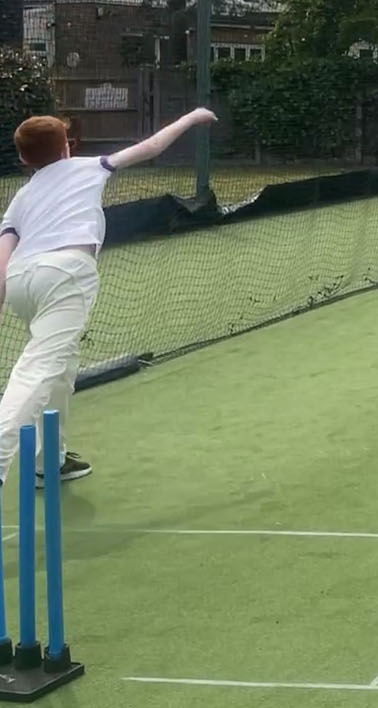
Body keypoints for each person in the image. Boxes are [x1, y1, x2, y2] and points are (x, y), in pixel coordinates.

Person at [0, 107, 217, 486]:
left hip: (22, 281)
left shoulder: (20, 198)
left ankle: (48, 462)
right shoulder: (90, 166)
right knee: (39, 368)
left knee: (62, 369)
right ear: (67, 148)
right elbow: (150, 147)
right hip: (66, 274)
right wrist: (191, 117)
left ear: (23, 159)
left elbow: (4, 258)